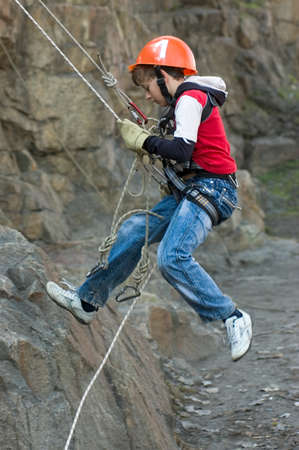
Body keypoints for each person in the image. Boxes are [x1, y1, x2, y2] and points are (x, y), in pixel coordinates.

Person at [46, 35, 252, 361]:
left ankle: (232, 316)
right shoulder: (180, 103)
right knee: (133, 231)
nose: (146, 95)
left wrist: (144, 141)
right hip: (191, 190)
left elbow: (183, 148)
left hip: (213, 188)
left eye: (147, 86)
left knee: (172, 257)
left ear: (163, 75)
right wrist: (151, 140)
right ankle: (88, 300)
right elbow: (182, 150)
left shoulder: (189, 98)